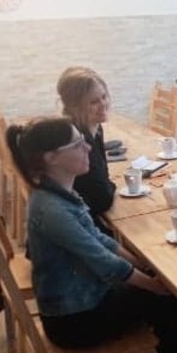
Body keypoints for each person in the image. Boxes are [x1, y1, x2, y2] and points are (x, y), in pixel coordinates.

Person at [6, 117, 177, 353]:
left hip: (84, 299)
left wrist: (143, 266)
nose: (88, 148)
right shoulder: (52, 210)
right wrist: (153, 285)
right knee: (163, 298)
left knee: (163, 284)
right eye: (77, 144)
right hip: (74, 321)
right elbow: (105, 264)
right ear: (51, 158)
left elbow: (100, 239)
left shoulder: (57, 192)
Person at [57, 66, 116, 234]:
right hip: (80, 224)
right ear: (75, 107)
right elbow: (102, 200)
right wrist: (110, 186)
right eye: (94, 102)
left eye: (104, 97)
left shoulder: (94, 128)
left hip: (87, 215)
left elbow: (103, 180)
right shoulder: (77, 141)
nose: (103, 105)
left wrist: (107, 185)